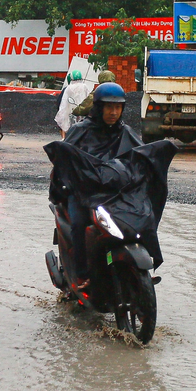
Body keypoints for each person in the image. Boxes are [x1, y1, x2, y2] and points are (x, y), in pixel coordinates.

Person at [53, 82, 141, 287]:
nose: (113, 112)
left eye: (118, 107)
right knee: (79, 224)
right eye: (109, 107)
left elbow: (141, 156)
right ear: (99, 107)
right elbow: (63, 157)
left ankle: (136, 267)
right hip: (83, 194)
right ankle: (81, 275)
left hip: (113, 194)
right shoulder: (80, 130)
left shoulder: (125, 132)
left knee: (139, 218)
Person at [55, 70, 93, 138]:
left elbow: (62, 103)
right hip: (82, 111)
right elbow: (89, 99)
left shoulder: (68, 88)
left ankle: (64, 139)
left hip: (71, 112)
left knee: (64, 123)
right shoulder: (85, 87)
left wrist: (62, 112)